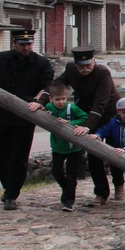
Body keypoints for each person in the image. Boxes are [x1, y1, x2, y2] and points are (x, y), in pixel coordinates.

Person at [0, 29, 54, 210]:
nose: (26, 47)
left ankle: (11, 195)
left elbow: (47, 86)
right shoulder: (2, 58)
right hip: (2, 115)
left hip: (25, 118)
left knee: (18, 158)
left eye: (29, 44)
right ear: (14, 44)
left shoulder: (41, 63)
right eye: (22, 44)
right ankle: (8, 186)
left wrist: (37, 102)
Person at [61, 46, 123, 203]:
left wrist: (87, 126)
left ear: (94, 60)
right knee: (94, 153)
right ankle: (101, 193)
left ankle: (119, 183)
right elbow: (57, 85)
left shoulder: (103, 73)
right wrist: (42, 102)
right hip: (88, 117)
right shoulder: (70, 69)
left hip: (110, 116)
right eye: (81, 65)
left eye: (88, 64)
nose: (85, 68)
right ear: (75, 64)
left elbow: (100, 104)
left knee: (114, 152)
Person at [30, 80, 88, 212]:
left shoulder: (71, 108)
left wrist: (70, 122)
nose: (61, 102)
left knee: (72, 175)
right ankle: (66, 188)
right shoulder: (49, 108)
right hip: (57, 147)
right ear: (51, 99)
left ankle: (69, 201)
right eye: (57, 99)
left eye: (63, 99)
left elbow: (84, 117)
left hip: (73, 148)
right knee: (57, 172)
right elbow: (42, 113)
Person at [92, 97, 125, 208]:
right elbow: (105, 130)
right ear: (118, 112)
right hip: (124, 153)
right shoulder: (114, 122)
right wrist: (98, 134)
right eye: (124, 112)